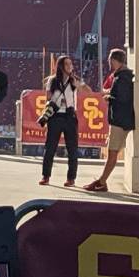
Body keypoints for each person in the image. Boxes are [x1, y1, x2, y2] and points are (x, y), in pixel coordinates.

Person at [84, 47, 134, 193]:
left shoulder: (121, 77)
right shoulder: (125, 75)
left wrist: (109, 99)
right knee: (112, 151)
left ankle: (102, 181)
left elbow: (123, 99)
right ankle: (101, 181)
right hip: (121, 119)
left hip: (119, 120)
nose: (109, 63)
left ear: (114, 60)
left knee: (112, 152)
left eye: (110, 60)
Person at [39, 55, 83, 187]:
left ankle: (71, 178)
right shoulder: (53, 80)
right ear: (61, 66)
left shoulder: (73, 80)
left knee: (72, 149)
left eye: (71, 64)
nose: (70, 67)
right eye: (67, 64)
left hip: (70, 115)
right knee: (50, 147)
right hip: (56, 116)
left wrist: (78, 83)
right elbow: (48, 97)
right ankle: (46, 176)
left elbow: (86, 90)